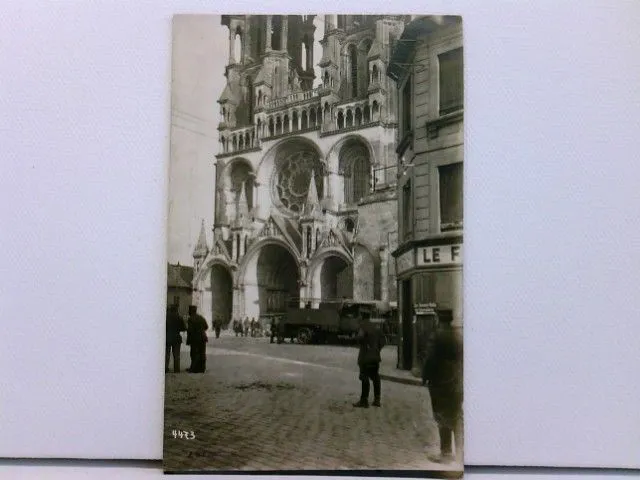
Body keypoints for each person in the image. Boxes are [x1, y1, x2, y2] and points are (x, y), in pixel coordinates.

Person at [421, 316, 463, 464]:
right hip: (457, 382)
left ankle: (446, 453)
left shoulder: (437, 336)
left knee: (442, 415)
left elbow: (430, 359)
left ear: (439, 318)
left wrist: (424, 377)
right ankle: (461, 453)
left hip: (440, 382)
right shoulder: (459, 335)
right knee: (456, 415)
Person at [353, 316, 385, 408]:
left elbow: (359, 338)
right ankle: (377, 399)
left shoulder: (364, 328)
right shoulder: (377, 329)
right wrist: (377, 349)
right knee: (375, 377)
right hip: (375, 358)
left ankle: (364, 400)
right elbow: (383, 341)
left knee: (364, 378)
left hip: (365, 358)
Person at [186, 305, 209, 373]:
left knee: (194, 353)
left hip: (195, 339)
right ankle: (202, 369)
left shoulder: (191, 319)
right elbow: (206, 327)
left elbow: (190, 330)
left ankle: (193, 369)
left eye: (189, 311)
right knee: (202, 353)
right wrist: (201, 330)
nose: (188, 312)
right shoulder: (201, 317)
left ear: (191, 311)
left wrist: (189, 340)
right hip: (203, 338)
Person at [165, 305, 186, 373]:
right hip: (176, 338)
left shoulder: (166, 317)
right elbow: (183, 328)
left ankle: (166, 368)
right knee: (176, 355)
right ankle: (176, 369)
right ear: (176, 310)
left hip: (167, 338)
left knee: (167, 354)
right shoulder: (179, 317)